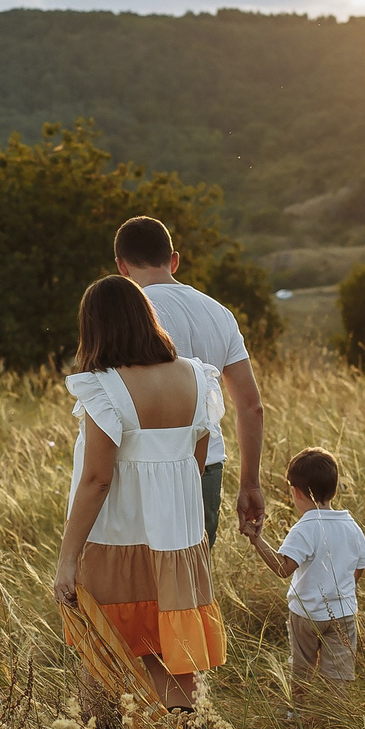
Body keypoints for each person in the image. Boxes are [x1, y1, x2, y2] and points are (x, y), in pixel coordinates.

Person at [52, 274, 228, 711]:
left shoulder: (105, 386)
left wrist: (67, 558)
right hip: (179, 540)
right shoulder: (197, 377)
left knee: (102, 650)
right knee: (175, 654)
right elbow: (195, 463)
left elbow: (97, 479)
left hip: (116, 538)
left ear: (95, 328)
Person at [112, 216, 264, 543]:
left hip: (149, 467)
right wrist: (250, 484)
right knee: (196, 570)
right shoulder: (220, 313)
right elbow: (251, 407)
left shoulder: (129, 317)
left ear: (122, 266)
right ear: (174, 260)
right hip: (208, 467)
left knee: (145, 572)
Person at [243, 447, 365, 712]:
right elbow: (360, 566)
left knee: (302, 669)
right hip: (344, 614)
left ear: (296, 492)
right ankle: (336, 718)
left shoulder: (305, 528)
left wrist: (257, 541)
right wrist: (343, 590)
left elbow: (283, 568)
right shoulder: (351, 525)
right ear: (334, 490)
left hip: (306, 615)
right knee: (339, 675)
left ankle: (297, 713)